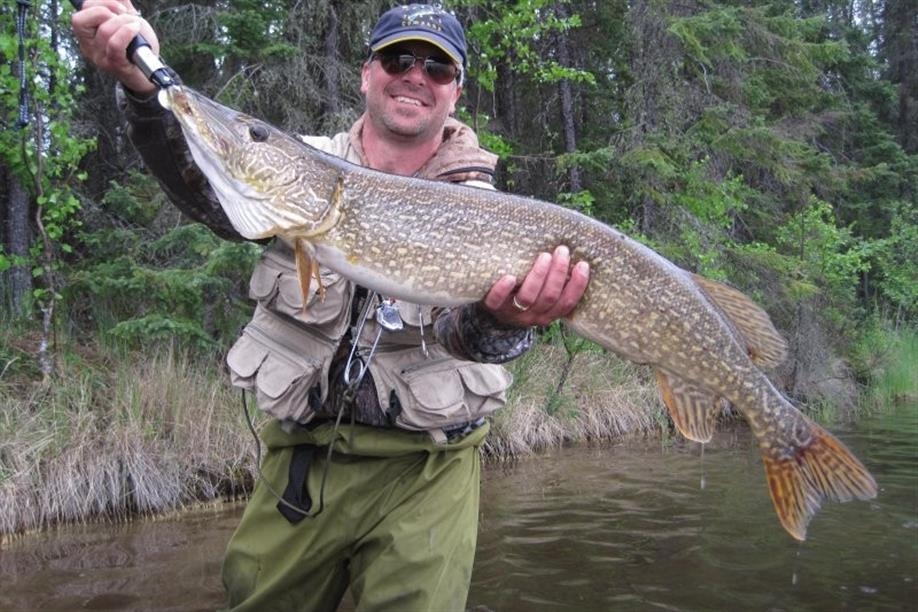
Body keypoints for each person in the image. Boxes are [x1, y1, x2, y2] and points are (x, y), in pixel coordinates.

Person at [72, 3, 590, 610]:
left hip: (427, 468)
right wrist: (140, 88)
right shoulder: (306, 164)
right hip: (304, 457)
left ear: (456, 93)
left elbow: (469, 340)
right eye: (397, 58)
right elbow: (205, 183)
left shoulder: (482, 209)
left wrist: (506, 320)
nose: (414, 76)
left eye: (438, 67)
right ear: (366, 73)